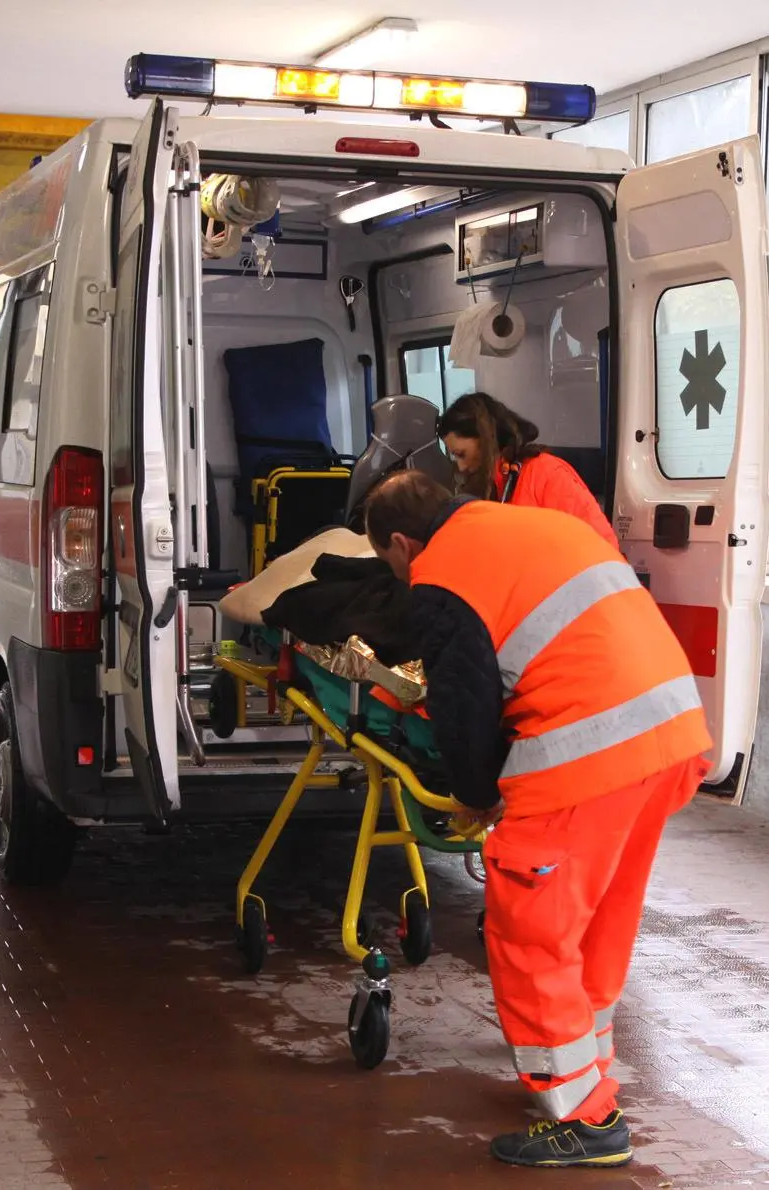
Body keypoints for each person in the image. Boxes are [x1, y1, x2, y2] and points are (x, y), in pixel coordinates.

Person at [364, 471, 711, 1170]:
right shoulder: (534, 524)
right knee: (599, 919)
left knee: (531, 927)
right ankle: (583, 1074)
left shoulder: (444, 575)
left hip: (588, 753)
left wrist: (477, 795)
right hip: (670, 736)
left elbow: (463, 709)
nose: (402, 577)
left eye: (392, 564)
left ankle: (584, 1119)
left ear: (402, 543)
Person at [437, 392, 620, 550]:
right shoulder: (497, 486)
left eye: (461, 454)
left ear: (486, 438)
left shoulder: (547, 473)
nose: (461, 467)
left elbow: (600, 545)